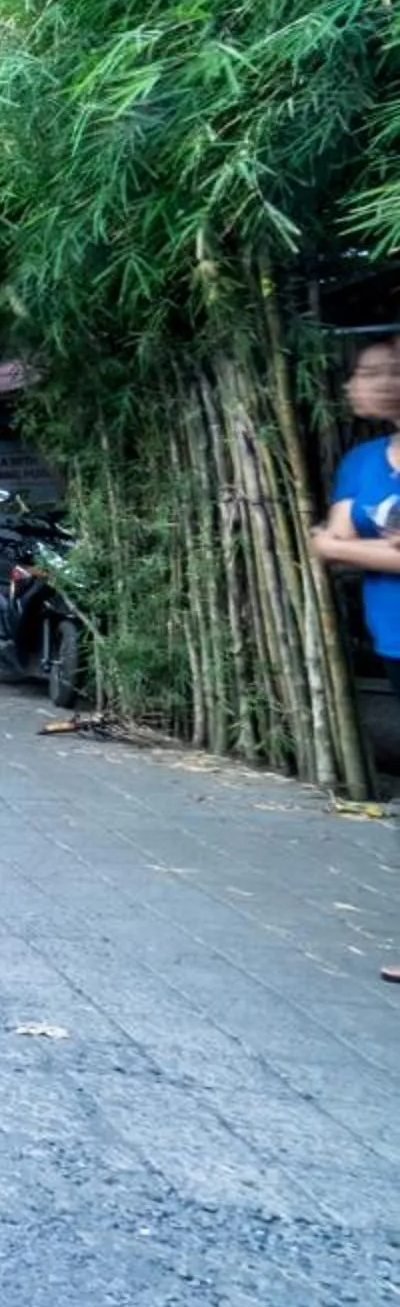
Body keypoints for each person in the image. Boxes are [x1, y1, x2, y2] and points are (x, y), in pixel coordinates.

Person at [311, 339, 400, 983]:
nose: (367, 382)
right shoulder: (364, 460)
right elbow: (328, 543)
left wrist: (352, 546)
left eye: (386, 370)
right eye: (367, 371)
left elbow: (340, 542)